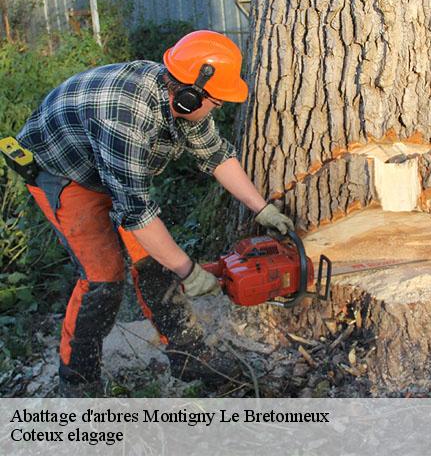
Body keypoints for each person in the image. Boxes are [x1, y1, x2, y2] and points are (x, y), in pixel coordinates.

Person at [8, 30, 294, 397]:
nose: (218, 109)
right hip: (64, 172)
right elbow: (137, 213)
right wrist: (189, 271)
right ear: (192, 95)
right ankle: (78, 386)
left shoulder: (185, 98)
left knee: (155, 265)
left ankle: (190, 358)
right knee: (103, 279)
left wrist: (262, 208)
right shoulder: (126, 114)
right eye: (217, 103)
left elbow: (217, 155)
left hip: (111, 167)